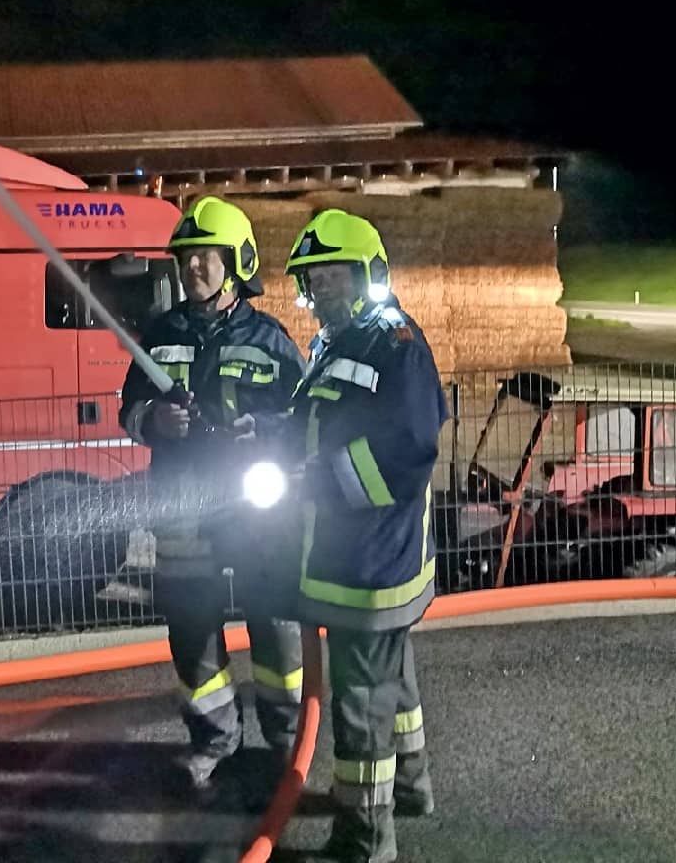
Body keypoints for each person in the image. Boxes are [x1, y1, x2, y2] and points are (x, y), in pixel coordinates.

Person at [119, 196, 308, 792]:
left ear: (237, 262)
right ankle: (214, 741)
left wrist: (267, 429)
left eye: (206, 256)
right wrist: (154, 421)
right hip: (183, 506)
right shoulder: (161, 333)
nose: (193, 267)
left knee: (274, 622)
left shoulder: (270, 339)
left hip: (256, 509)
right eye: (186, 258)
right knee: (191, 626)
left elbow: (303, 415)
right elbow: (129, 409)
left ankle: (287, 740)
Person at [277, 208, 447, 863]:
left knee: (360, 704)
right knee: (391, 682)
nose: (321, 289)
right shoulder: (340, 342)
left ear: (367, 273)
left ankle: (365, 838)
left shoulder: (395, 346)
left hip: (368, 567)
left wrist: (321, 483)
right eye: (313, 278)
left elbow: (407, 453)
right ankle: (411, 787)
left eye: (334, 275)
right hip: (368, 561)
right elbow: (321, 422)